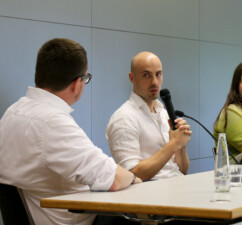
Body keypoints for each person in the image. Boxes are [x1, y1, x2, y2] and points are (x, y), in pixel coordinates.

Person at [0, 38, 141, 225]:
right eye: (86, 78)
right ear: (77, 84)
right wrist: (133, 178)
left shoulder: (12, 112)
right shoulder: (52, 122)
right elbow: (113, 179)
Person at [106, 51, 191, 181]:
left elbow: (183, 170)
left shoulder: (163, 112)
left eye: (158, 74)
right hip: (149, 195)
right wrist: (174, 144)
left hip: (177, 186)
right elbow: (132, 174)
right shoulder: (124, 118)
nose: (154, 82)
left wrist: (181, 145)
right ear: (132, 78)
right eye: (146, 75)